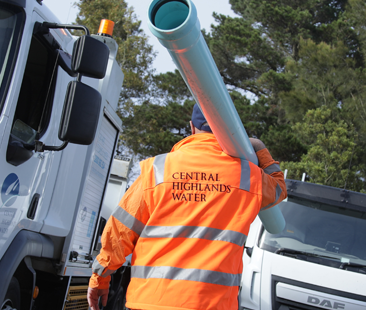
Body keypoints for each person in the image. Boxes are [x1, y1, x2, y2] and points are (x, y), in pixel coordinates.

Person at [88, 104, 287, 310]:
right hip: (212, 305)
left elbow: (119, 231)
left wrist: (99, 278)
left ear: (192, 127)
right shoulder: (247, 176)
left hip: (149, 301)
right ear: (233, 130)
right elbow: (279, 189)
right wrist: (260, 148)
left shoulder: (158, 169)